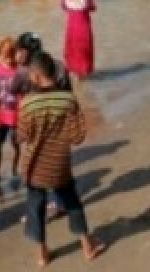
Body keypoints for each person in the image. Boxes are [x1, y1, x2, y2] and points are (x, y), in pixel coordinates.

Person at [17, 52, 106, 266]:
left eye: (29, 74)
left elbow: (22, 136)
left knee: (35, 207)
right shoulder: (68, 99)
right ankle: (87, 246)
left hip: (33, 165)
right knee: (72, 203)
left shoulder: (27, 103)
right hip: (59, 163)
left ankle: (42, 255)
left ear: (36, 76)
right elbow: (77, 137)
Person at [0, 38, 21, 185]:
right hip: (0, 115)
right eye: (4, 55)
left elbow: (24, 93)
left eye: (11, 55)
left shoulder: (20, 70)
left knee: (15, 144)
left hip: (16, 116)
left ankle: (14, 171)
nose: (8, 59)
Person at [60, 0, 96, 78]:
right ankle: (84, 74)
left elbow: (64, 7)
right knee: (84, 52)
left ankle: (75, 73)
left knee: (72, 50)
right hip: (84, 29)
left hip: (71, 29)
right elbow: (93, 8)